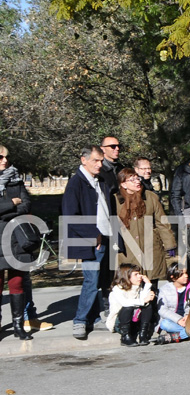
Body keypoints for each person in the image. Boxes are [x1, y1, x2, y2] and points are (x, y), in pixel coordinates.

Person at [61, 145, 113, 340]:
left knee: (100, 281)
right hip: (90, 241)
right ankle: (80, 321)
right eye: (95, 161)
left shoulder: (99, 181)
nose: (100, 165)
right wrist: (94, 235)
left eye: (101, 161)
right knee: (91, 281)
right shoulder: (76, 183)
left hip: (104, 238)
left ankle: (92, 318)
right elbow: (70, 215)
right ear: (83, 160)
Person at [113, 168, 177, 284]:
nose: (137, 182)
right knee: (130, 287)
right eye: (132, 180)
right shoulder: (115, 201)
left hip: (151, 249)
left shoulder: (150, 197)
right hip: (127, 252)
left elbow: (162, 223)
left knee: (151, 287)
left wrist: (170, 245)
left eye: (137, 178)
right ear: (123, 184)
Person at [0, 145, 37, 341]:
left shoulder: (16, 180)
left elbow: (26, 204)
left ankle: (18, 325)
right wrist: (11, 204)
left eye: (6, 157)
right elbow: (17, 204)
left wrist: (9, 209)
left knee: (17, 283)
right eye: (0, 157)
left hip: (17, 238)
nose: (5, 161)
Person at [106, 263, 156, 346]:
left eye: (139, 274)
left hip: (133, 321)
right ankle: (125, 336)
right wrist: (143, 300)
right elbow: (125, 303)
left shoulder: (137, 287)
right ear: (126, 276)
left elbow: (144, 300)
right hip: (119, 323)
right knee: (128, 307)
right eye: (136, 274)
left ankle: (143, 334)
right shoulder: (117, 289)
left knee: (147, 306)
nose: (140, 276)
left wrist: (147, 285)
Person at [156, 263, 190, 343]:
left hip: (189, 320)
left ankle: (175, 337)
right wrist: (178, 320)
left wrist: (187, 315)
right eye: (182, 274)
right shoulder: (164, 289)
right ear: (173, 277)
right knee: (164, 324)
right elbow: (162, 310)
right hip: (174, 322)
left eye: (186, 273)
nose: (186, 276)